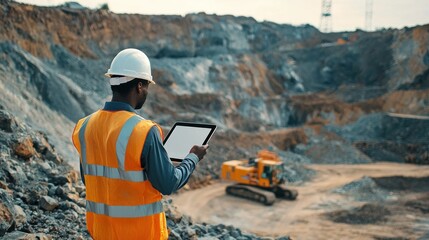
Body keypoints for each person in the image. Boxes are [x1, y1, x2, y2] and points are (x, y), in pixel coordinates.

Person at [71, 48, 208, 240]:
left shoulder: (84, 126)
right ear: (139, 86)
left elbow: (91, 179)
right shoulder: (144, 131)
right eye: (147, 87)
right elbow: (168, 183)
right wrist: (193, 156)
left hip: (101, 233)